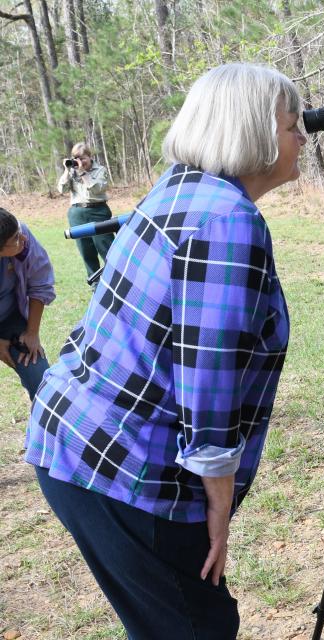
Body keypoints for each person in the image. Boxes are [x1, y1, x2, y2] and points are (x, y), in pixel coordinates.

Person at [25, 63, 306, 639]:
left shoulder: (178, 188)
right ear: (250, 130)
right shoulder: (228, 219)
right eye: (292, 123)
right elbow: (210, 376)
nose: (304, 136)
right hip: (123, 467)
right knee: (196, 628)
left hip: (73, 440)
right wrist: (219, 508)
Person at [0, 207, 55, 400]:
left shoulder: (21, 234)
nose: (22, 239)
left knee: (40, 378)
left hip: (9, 318)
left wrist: (32, 333)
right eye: (15, 240)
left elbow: (40, 283)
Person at [58, 142, 115, 281]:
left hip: (98, 211)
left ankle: (115, 278)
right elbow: (62, 190)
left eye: (83, 158)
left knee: (107, 248)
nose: (80, 162)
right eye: (76, 158)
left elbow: (97, 189)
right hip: (77, 213)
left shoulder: (100, 170)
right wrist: (67, 170)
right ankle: (95, 283)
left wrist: (83, 173)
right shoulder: (72, 172)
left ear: (90, 157)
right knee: (86, 250)